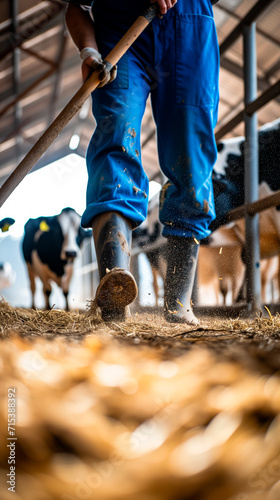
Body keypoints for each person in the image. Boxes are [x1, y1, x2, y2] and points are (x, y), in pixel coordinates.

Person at [65, 0, 220, 324]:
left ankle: (178, 303)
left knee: (190, 155)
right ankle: (115, 284)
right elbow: (75, 6)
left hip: (188, 27)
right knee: (117, 137)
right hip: (120, 32)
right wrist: (89, 52)